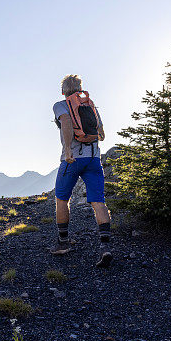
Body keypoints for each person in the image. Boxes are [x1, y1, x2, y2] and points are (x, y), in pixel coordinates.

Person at [51, 74, 113, 268]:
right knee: (98, 201)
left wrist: (68, 148)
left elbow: (67, 122)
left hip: (72, 159)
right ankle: (105, 247)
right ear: (80, 88)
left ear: (63, 91)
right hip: (94, 159)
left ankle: (63, 243)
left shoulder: (60, 105)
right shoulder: (90, 105)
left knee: (62, 199)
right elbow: (102, 134)